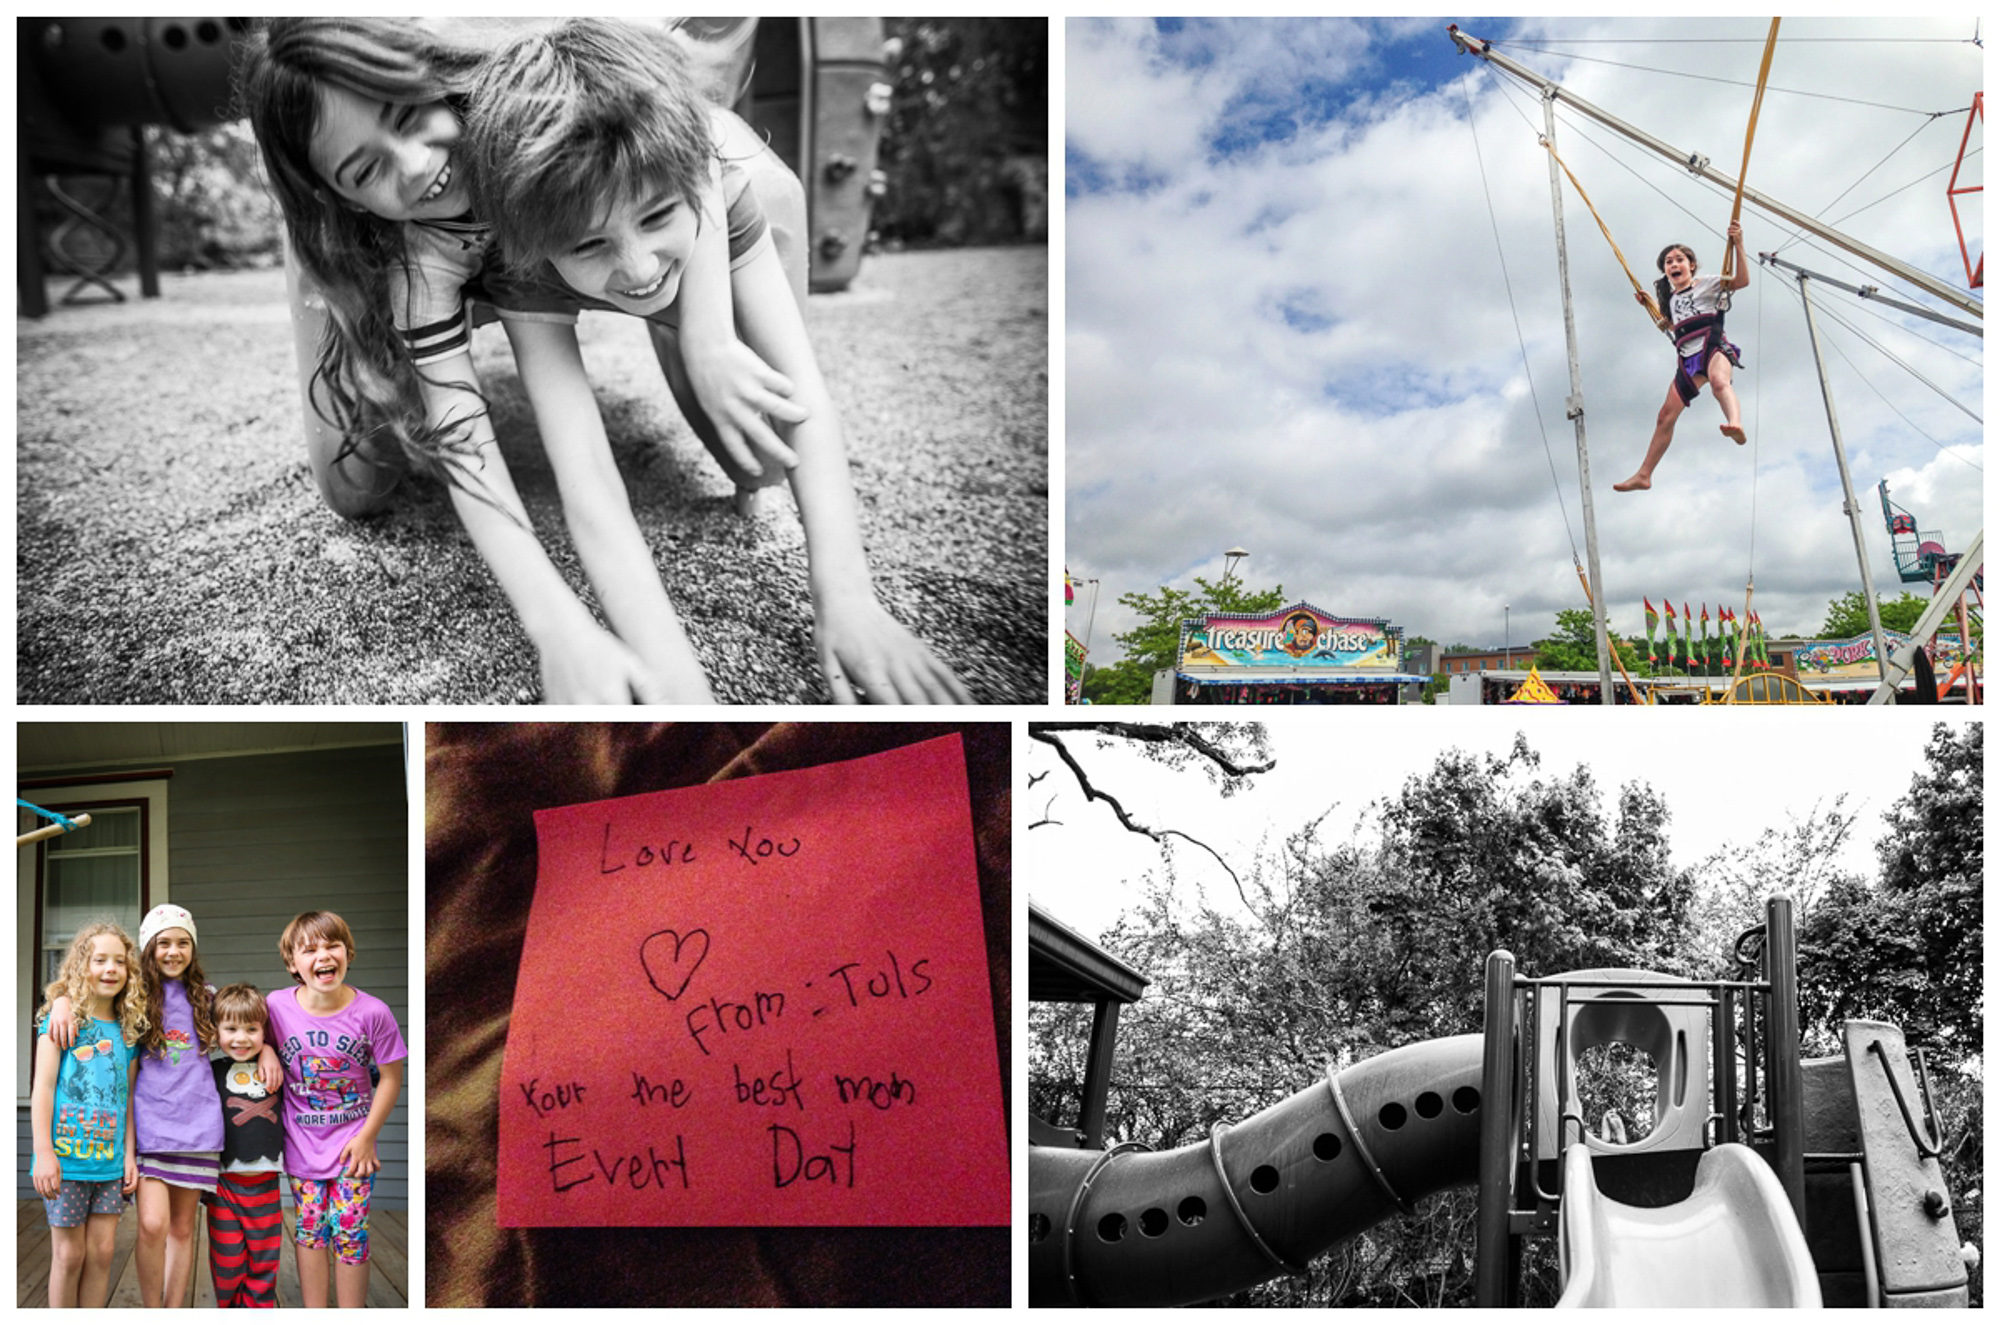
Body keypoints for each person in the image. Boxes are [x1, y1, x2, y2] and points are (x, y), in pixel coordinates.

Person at [242, 19, 965, 703]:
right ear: (340, 194)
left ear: (434, 76)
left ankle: (658, 286)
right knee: (353, 483)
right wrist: (566, 629)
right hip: (445, 253)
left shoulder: (561, 87)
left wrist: (709, 336)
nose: (417, 165)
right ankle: (329, 255)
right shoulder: (413, 262)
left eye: (406, 115)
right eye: (364, 168)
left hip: (632, 198)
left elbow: (693, 143)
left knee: (762, 452)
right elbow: (497, 454)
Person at [462, 18, 972, 704]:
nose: (637, 266)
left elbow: (802, 395)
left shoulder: (720, 186)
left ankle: (689, 315)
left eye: (655, 218)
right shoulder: (528, 240)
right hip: (584, 184)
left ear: (689, 188)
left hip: (718, 174)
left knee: (759, 453)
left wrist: (848, 596)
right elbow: (587, 477)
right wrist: (675, 681)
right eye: (591, 246)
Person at [265, 912, 406, 1309]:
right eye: (309, 949)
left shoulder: (372, 1012)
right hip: (302, 1145)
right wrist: (265, 1050)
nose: (323, 956)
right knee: (310, 1229)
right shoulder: (275, 1006)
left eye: (332, 946)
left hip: (352, 1147)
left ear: (348, 952)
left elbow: (392, 1078)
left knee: (350, 1229)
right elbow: (244, 1029)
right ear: (293, 963)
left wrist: (367, 1138)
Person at [31, 923, 143, 1309]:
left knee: (102, 1253)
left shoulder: (129, 1033)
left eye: (120, 962)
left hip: (109, 1165)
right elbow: (42, 1089)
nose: (110, 968)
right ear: (82, 966)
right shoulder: (60, 1022)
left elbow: (126, 1098)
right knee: (69, 1255)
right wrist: (44, 1153)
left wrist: (129, 1155)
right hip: (65, 1161)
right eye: (100, 960)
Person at [1614, 220, 1751, 492]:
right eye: (1668, 262)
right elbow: (1668, 321)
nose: (1674, 265)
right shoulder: (1670, 297)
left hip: (1712, 346)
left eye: (1679, 260)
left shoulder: (1709, 284)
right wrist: (1650, 305)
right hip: (1687, 357)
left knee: (1719, 382)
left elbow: (1742, 281)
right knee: (1665, 415)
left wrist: (1738, 245)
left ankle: (1735, 424)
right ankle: (1644, 474)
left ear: (1692, 265)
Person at [208, 984, 286, 1308]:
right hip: (223, 1186)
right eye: (231, 1029)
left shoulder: (277, 1068)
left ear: (264, 1030)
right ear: (216, 1031)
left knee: (264, 1262)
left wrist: (269, 1049)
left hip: (266, 1185)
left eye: (252, 1029)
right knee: (227, 1265)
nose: (241, 1038)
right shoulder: (210, 1071)